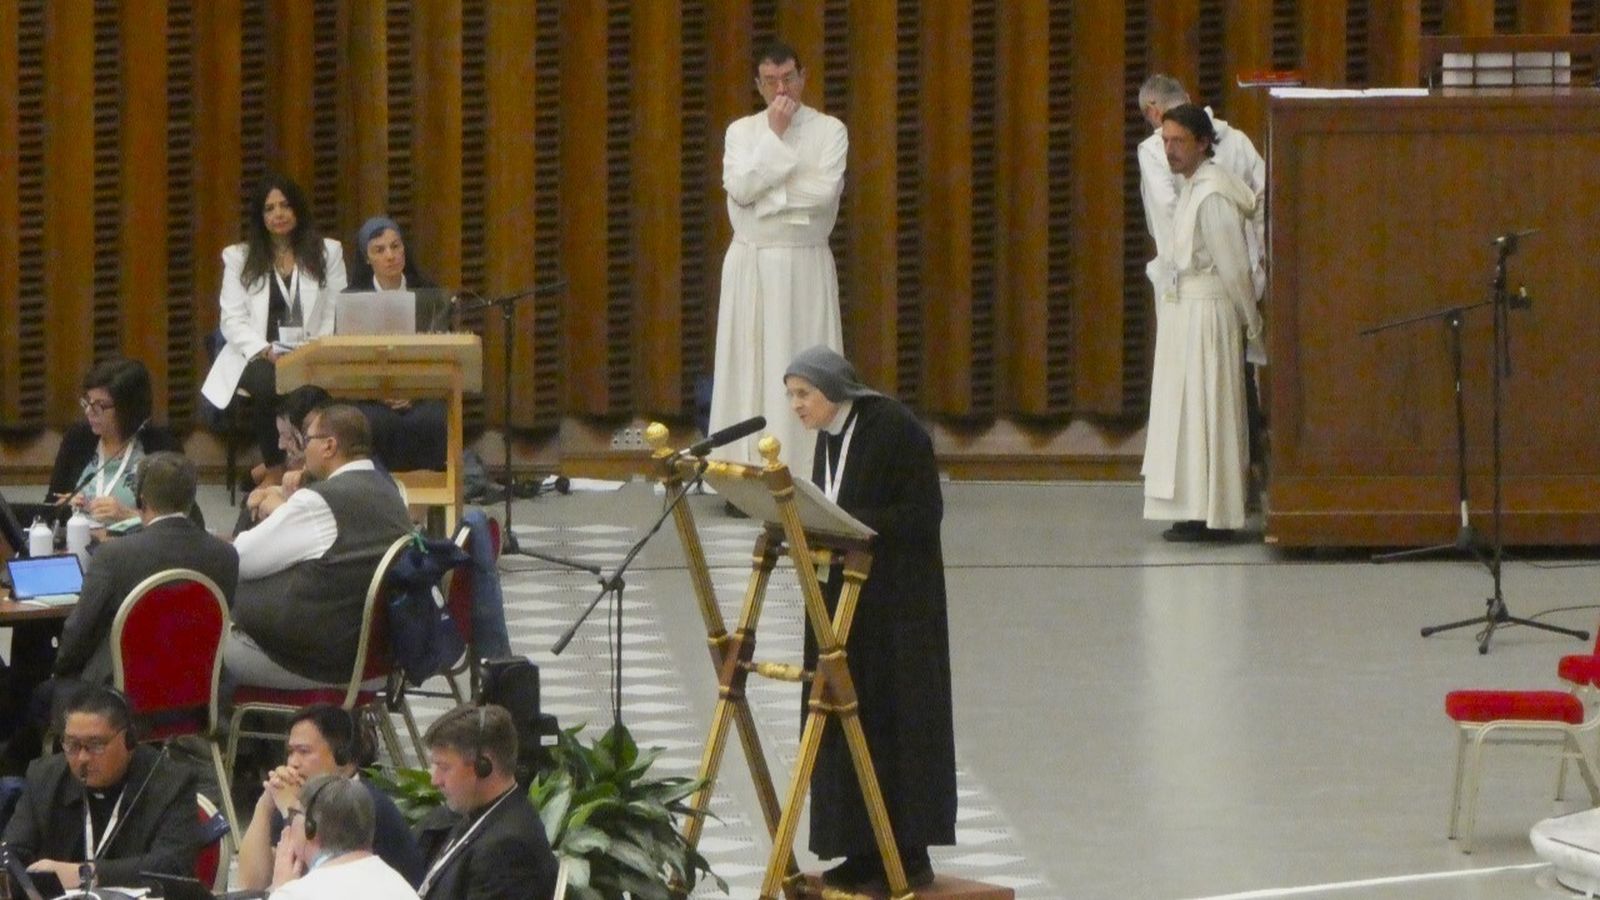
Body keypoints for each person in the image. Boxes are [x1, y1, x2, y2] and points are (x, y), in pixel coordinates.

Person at [781, 346, 956, 892]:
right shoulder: (831, 439)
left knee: (891, 722)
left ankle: (905, 855)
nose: (797, 407)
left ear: (834, 390)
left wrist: (847, 526)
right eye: (791, 396)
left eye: (803, 394)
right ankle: (859, 850)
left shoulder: (893, 430)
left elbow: (922, 517)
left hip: (895, 611)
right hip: (843, 604)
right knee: (839, 718)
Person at [709, 40, 848, 477]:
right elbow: (740, 190)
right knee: (749, 367)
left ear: (803, 77)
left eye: (788, 78)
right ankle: (743, 471)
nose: (781, 89)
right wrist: (775, 140)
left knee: (801, 361)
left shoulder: (830, 131)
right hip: (751, 264)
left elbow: (823, 194)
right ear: (759, 84)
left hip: (804, 264)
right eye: (771, 81)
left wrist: (768, 197)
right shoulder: (741, 132)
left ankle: (804, 471)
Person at [225, 404, 412, 689]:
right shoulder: (392, 491)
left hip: (317, 664)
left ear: (329, 446)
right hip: (376, 658)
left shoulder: (319, 502)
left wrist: (272, 511)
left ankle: (231, 729)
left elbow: (239, 561)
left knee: (209, 636)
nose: (302, 448)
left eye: (307, 439)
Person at [1141, 104, 1262, 540]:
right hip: (1184, 314)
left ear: (1203, 143)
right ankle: (1192, 507)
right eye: (1166, 140)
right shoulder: (1191, 186)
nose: (1170, 150)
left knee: (1208, 409)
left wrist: (1252, 321)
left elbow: (1234, 268)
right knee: (1185, 413)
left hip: (1208, 316)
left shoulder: (1212, 194)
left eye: (1179, 141)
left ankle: (1213, 513)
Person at [201, 173, 348, 482]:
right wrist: (264, 349)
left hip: (311, 351)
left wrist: (311, 350)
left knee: (308, 392)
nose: (278, 214)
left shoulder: (328, 252)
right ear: (260, 216)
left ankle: (303, 467)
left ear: (298, 210)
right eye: (270, 209)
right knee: (269, 384)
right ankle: (274, 469)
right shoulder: (239, 258)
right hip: (255, 354)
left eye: (285, 206)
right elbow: (232, 319)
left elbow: (336, 310)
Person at [53, 453, 238, 688]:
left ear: (141, 501)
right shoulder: (226, 556)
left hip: (118, 701)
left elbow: (78, 633)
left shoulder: (113, 556)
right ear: (191, 500)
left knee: (43, 698)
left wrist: (60, 671)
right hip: (196, 697)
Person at [1, 685, 199, 891]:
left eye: (96, 745)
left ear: (129, 740)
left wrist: (84, 874)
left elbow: (174, 865)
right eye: (72, 744)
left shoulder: (172, 782)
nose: (82, 758)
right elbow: (12, 855)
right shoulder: (44, 777)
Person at [237, 705, 424, 890]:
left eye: (304, 751)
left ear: (342, 756)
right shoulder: (297, 795)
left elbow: (318, 875)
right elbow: (250, 884)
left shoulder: (364, 803)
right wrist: (265, 804)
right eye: (290, 752)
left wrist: (291, 811)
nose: (293, 763)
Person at [1136, 74, 1265, 302]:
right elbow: (1266, 201)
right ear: (1186, 98)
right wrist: (1260, 262)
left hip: (1191, 289)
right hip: (1248, 278)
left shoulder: (1154, 150)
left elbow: (1168, 220)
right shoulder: (1237, 139)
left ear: (1152, 111)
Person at [416, 704, 557, 900]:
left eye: (444, 767)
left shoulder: (507, 849)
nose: (435, 780)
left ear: (484, 766)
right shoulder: (482, 814)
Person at [342, 215, 448, 473]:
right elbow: (347, 361)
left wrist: (414, 391)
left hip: (421, 393)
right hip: (371, 396)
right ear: (367, 258)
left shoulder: (430, 295)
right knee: (370, 422)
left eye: (396, 246)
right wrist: (379, 392)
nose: (390, 255)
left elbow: (442, 354)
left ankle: (428, 499)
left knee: (434, 419)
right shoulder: (351, 300)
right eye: (379, 250)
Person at [42, 359, 181, 528]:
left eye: (99, 405)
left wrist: (129, 515)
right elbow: (48, 507)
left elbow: (179, 522)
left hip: (136, 549)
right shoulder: (78, 439)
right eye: (87, 402)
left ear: (128, 408)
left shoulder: (161, 446)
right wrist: (64, 506)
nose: (89, 411)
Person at [265, 774, 420, 899]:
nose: (290, 824)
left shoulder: (297, 894)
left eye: (294, 814)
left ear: (310, 828)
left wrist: (280, 890)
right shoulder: (400, 886)